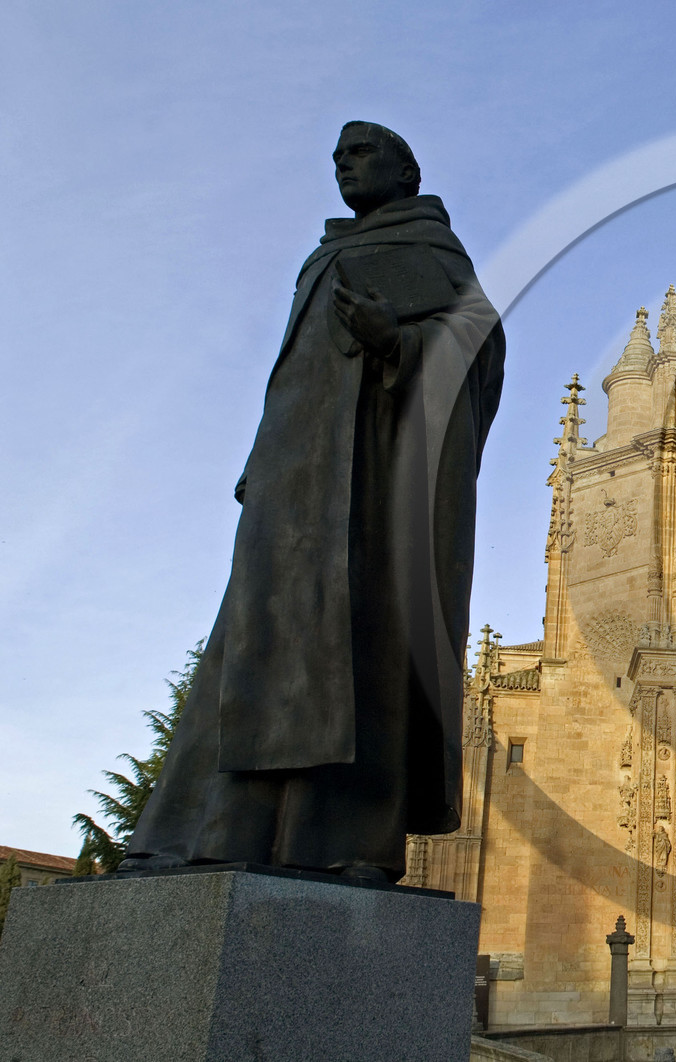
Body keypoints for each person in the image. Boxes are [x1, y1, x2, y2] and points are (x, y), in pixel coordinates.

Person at [121, 122, 505, 882]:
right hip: (295, 485)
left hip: (370, 487)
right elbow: (294, 376)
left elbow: (478, 348)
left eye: (361, 154)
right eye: (336, 157)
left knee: (358, 652)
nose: (343, 167)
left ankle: (338, 841)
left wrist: (396, 340)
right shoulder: (325, 255)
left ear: (406, 171)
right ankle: (212, 832)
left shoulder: (432, 256)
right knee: (254, 648)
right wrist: (265, 460)